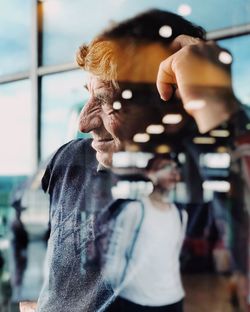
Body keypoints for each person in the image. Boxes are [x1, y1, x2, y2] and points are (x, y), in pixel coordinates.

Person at [20, 8, 249, 312]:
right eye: (88, 94)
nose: (84, 123)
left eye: (105, 101)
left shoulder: (205, 186)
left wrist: (214, 100)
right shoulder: (68, 160)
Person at [104, 155, 187, 312]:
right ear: (150, 174)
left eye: (175, 168)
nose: (172, 172)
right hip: (135, 300)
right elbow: (114, 256)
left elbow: (174, 255)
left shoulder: (181, 215)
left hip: (173, 298)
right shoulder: (134, 210)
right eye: (164, 167)